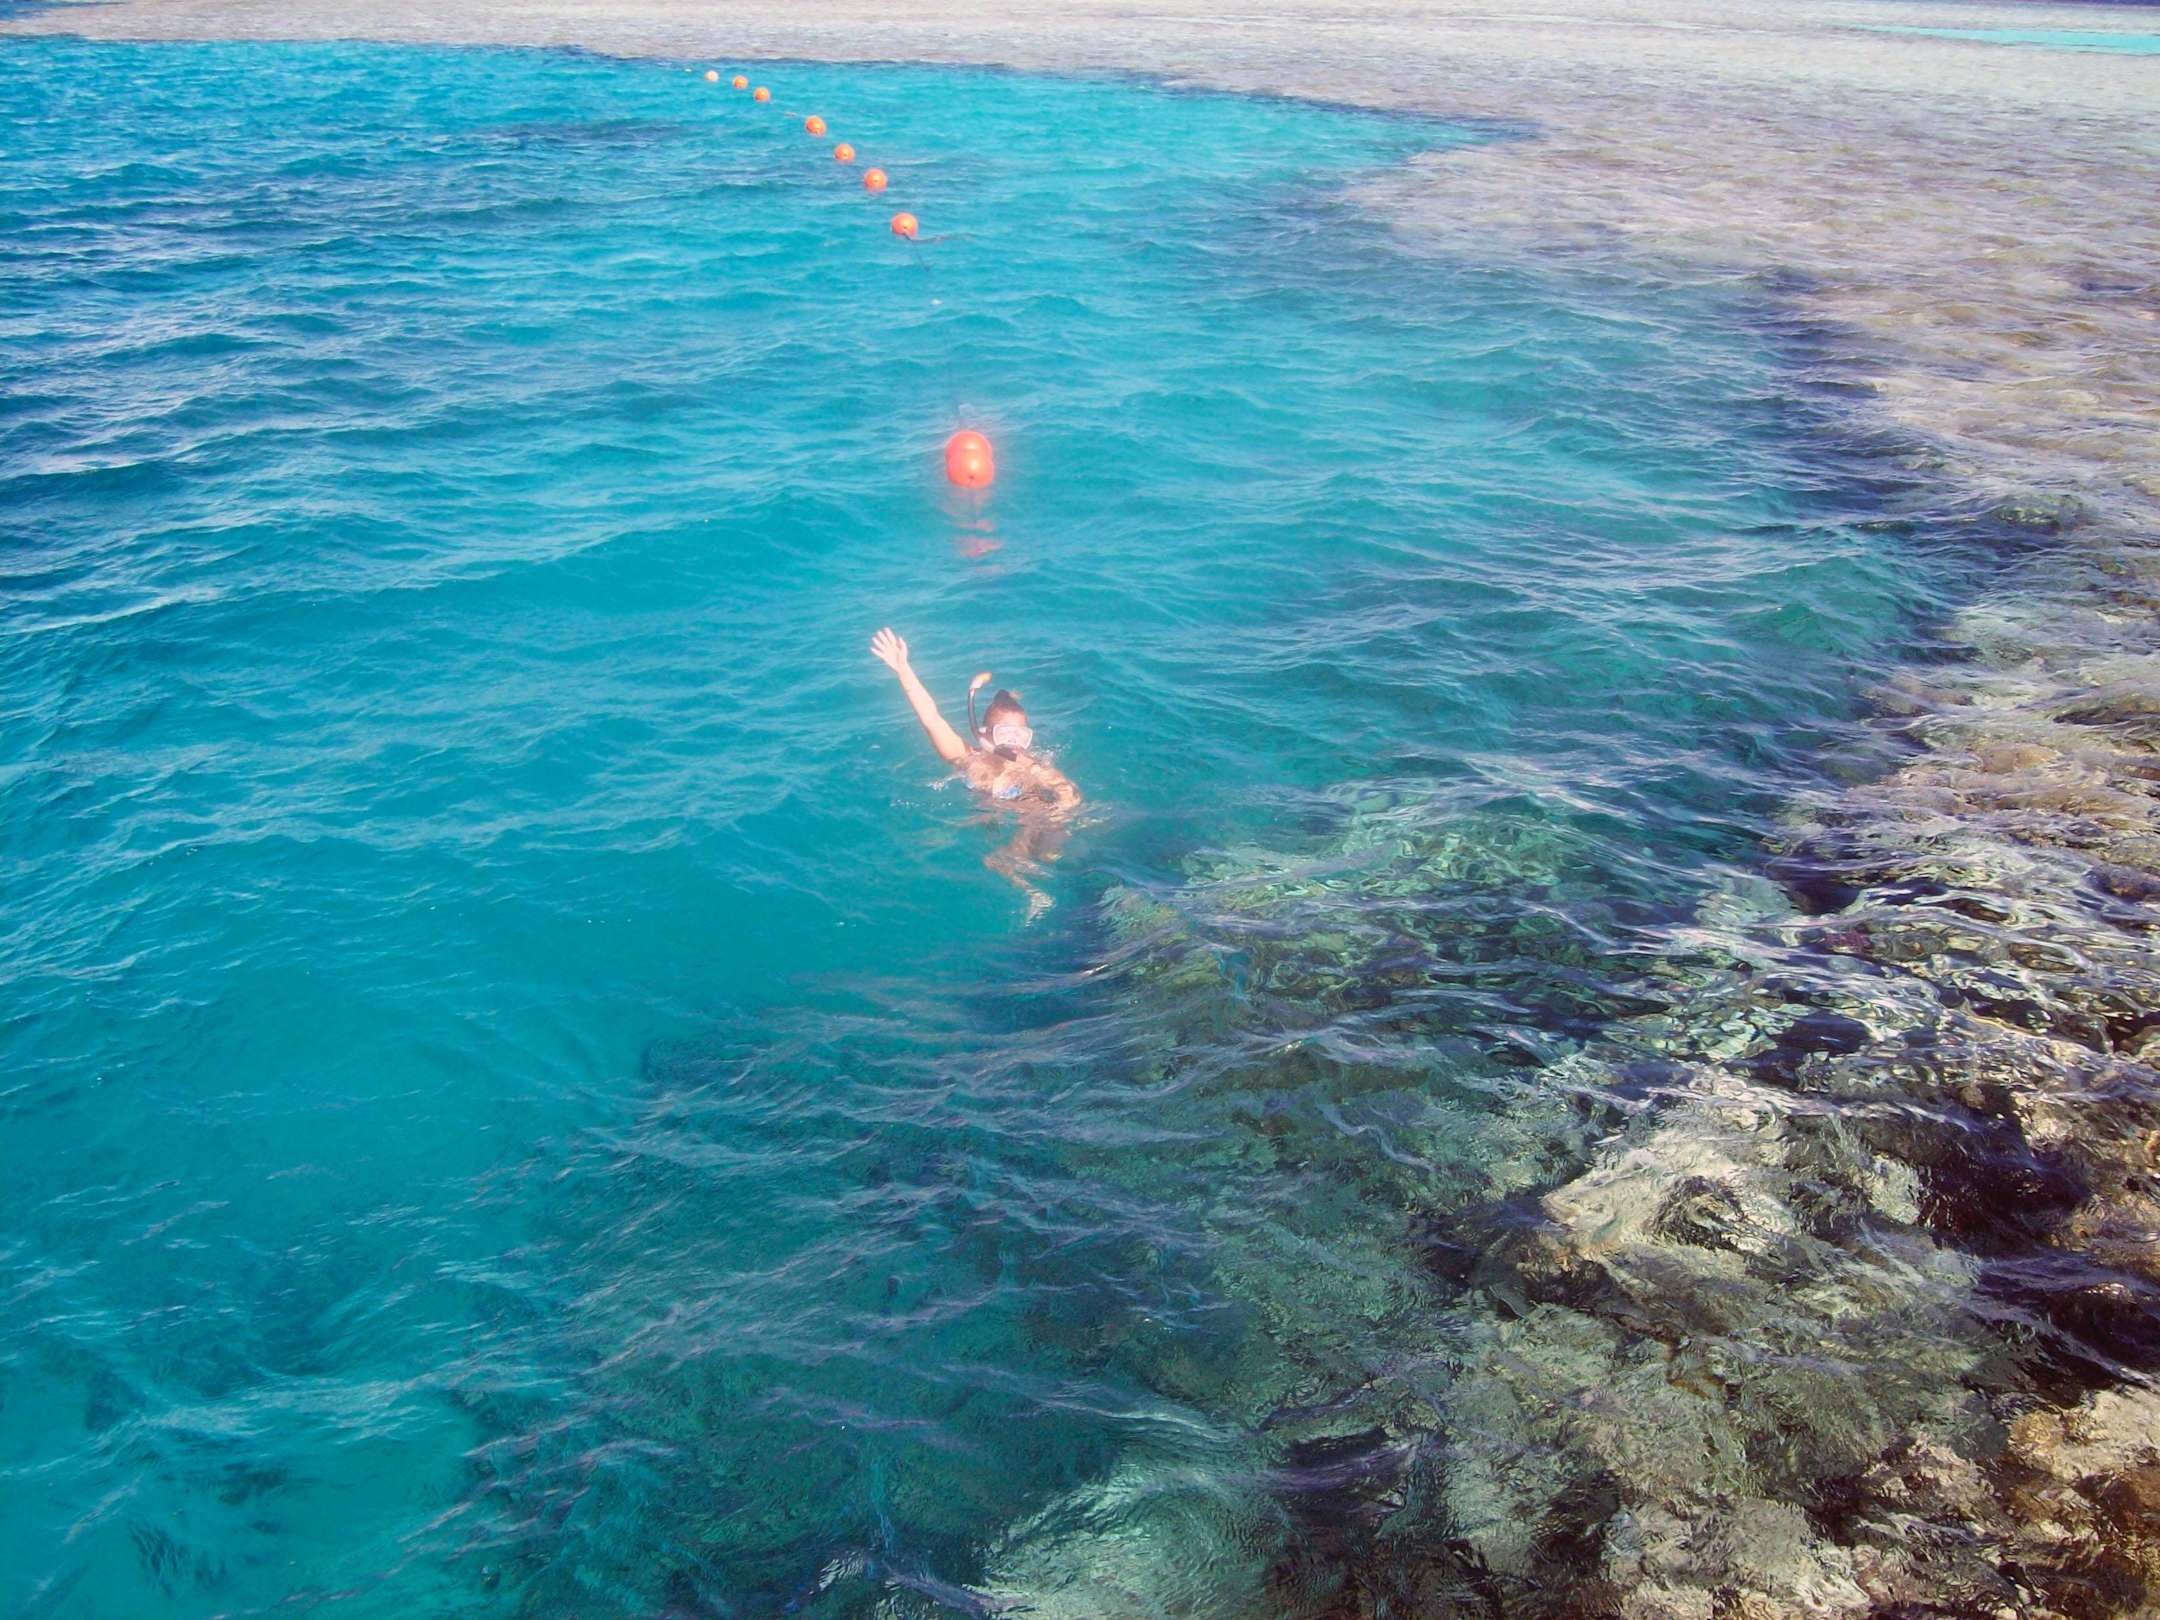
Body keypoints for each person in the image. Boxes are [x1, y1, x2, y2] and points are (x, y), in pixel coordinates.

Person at [870, 627, 1080, 915]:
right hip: (999, 816)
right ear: (985, 734)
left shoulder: (1035, 765)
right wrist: (903, 670)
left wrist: (1055, 798)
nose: (1014, 744)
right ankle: (1037, 895)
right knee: (995, 859)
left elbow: (1069, 795)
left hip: (1040, 820)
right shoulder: (966, 758)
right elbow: (931, 718)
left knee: (1018, 857)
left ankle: (1041, 893)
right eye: (1006, 734)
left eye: (1021, 736)